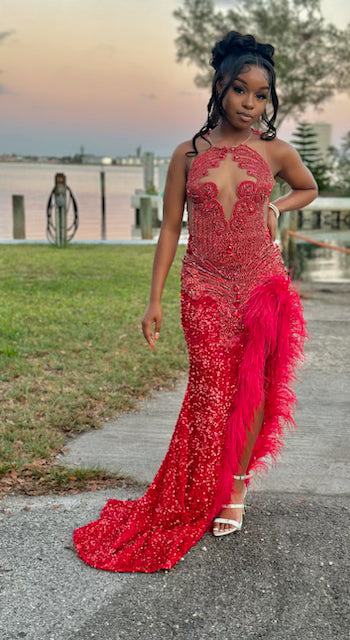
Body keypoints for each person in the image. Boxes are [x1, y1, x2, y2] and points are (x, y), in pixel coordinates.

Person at [72, 30, 318, 572]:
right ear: (219, 87)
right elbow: (167, 230)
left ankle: (234, 490)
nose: (250, 104)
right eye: (240, 91)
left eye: (261, 95)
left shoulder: (276, 151)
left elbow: (309, 187)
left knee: (251, 388)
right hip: (204, 284)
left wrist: (277, 207)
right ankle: (192, 493)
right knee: (210, 391)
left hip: (260, 283)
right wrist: (153, 300)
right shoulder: (188, 154)